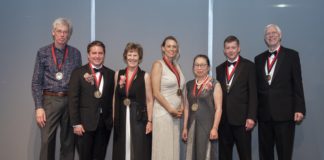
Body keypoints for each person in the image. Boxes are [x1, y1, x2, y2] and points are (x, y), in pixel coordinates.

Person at [31, 17, 81, 160]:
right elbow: (36, 82)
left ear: (69, 35)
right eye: (59, 31)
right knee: (47, 141)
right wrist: (39, 107)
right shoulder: (43, 52)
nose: (62, 35)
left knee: (68, 142)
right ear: (53, 32)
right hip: (49, 101)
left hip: (69, 101)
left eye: (65, 32)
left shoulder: (75, 53)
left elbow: (78, 81)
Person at [254, 24, 306, 160]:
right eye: (267, 34)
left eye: (273, 33)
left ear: (280, 35)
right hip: (264, 115)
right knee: (265, 154)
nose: (271, 36)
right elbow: (257, 88)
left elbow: (297, 84)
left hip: (285, 115)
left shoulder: (292, 55)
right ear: (265, 39)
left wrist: (299, 108)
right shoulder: (258, 59)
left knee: (284, 153)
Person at [68, 40, 114, 160]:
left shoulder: (111, 74)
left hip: (104, 124)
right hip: (84, 124)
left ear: (104, 55)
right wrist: (76, 123)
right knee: (85, 157)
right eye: (94, 53)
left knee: (100, 157)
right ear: (88, 55)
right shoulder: (78, 73)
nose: (97, 56)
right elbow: (73, 99)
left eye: (100, 53)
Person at [216, 35, 258, 160]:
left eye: (233, 47)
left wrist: (251, 117)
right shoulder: (219, 68)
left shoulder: (249, 66)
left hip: (243, 121)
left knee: (245, 155)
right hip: (224, 122)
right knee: (224, 155)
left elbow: (253, 94)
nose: (230, 50)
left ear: (238, 48)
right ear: (224, 50)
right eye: (228, 48)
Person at [112, 42, 153, 160]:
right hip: (121, 115)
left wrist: (150, 121)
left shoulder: (145, 76)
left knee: (139, 147)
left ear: (140, 58)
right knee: (122, 145)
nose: (132, 58)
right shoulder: (118, 74)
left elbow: (150, 100)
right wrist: (114, 117)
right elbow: (115, 97)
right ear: (125, 56)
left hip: (138, 117)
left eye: (135, 55)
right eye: (130, 54)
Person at [151, 36, 185, 160]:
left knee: (173, 149)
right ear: (163, 48)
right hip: (163, 113)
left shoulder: (177, 65)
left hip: (176, 115)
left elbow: (179, 90)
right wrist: (170, 109)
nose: (172, 49)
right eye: (169, 46)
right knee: (163, 148)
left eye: (174, 46)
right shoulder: (158, 65)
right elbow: (156, 92)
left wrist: (181, 105)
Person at [182, 54, 222, 160]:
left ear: (208, 67)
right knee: (191, 153)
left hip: (208, 126)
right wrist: (185, 127)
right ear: (193, 67)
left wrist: (215, 128)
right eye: (197, 65)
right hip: (191, 125)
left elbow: (219, 109)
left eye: (202, 65)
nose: (199, 68)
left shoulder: (215, 84)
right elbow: (186, 107)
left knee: (206, 154)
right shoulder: (189, 85)